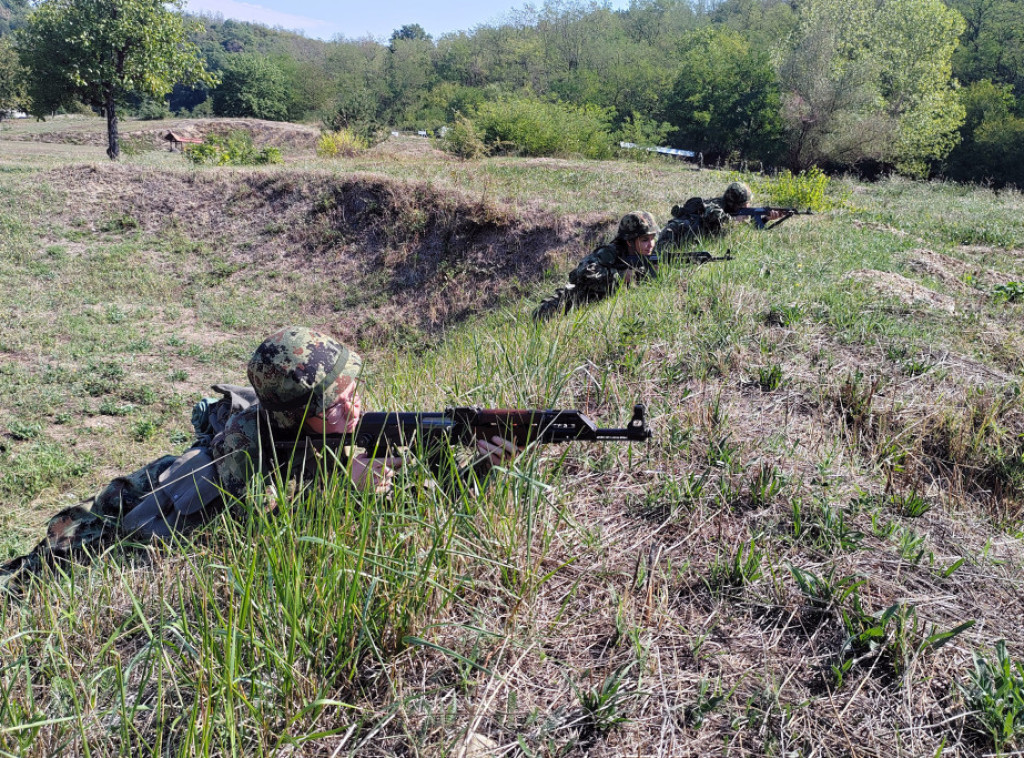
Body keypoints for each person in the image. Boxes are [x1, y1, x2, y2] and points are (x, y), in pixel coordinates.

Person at [1, 326, 518, 590]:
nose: (355, 407)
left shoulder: (317, 435)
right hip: (151, 508)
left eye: (353, 392)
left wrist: (478, 467)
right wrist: (342, 488)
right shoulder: (238, 463)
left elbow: (415, 500)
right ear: (296, 416)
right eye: (337, 403)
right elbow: (239, 538)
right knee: (72, 548)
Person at [532, 211, 660, 321]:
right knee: (543, 312)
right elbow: (582, 273)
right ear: (629, 241)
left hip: (609, 309)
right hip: (579, 300)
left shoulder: (652, 256)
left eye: (652, 238)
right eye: (644, 240)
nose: (651, 244)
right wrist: (620, 276)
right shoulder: (610, 252)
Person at [655, 181, 782, 252]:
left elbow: (747, 228)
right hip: (673, 237)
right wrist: (736, 220)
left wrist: (766, 218)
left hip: (687, 245)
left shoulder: (733, 211)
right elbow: (718, 219)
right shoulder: (714, 206)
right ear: (736, 204)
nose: (748, 207)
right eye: (745, 204)